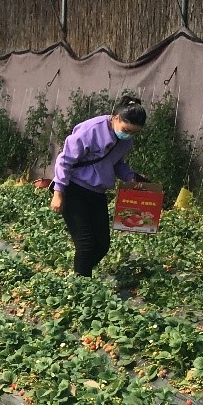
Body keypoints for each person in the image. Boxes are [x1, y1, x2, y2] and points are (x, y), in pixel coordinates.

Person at [50, 94, 149, 277]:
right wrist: (58, 192)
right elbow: (64, 160)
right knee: (86, 244)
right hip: (74, 189)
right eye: (127, 130)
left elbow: (115, 163)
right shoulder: (92, 130)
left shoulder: (125, 140)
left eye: (134, 132)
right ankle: (80, 284)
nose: (129, 135)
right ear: (116, 118)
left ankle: (79, 276)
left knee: (102, 245)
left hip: (97, 192)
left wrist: (131, 177)